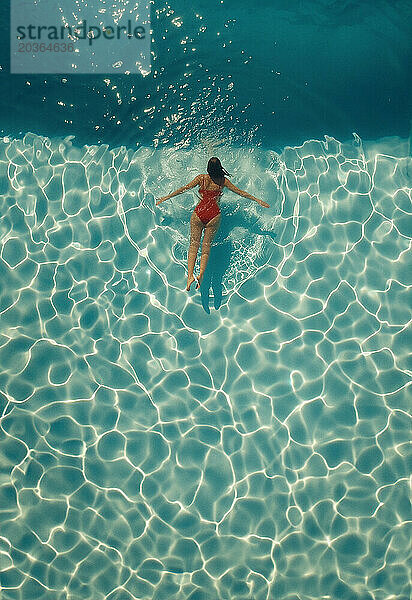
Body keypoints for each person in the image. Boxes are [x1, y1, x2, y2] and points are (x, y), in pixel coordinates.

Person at [155, 157, 270, 290]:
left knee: (193, 246)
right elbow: (240, 192)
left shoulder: (201, 178)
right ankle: (202, 274)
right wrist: (257, 200)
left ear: (208, 169)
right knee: (206, 248)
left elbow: (183, 189)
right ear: (220, 168)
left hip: (199, 213)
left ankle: (190, 276)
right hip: (214, 215)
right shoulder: (223, 181)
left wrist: (166, 197)